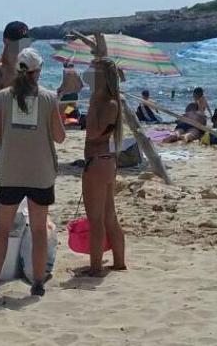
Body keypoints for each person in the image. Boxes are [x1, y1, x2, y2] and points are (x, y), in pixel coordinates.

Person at [0, 48, 65, 299]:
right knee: (38, 231)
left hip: (11, 171)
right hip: (40, 173)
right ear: (38, 71)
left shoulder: (2, 97)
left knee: (2, 230)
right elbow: (60, 137)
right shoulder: (49, 98)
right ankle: (37, 283)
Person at [80, 57, 126, 277]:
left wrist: (92, 105)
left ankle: (96, 267)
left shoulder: (108, 103)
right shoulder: (109, 102)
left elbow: (93, 133)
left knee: (96, 219)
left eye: (94, 72)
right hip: (105, 161)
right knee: (108, 216)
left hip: (97, 161)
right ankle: (118, 262)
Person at [0, 21, 31, 192]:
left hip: (25, 133)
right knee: (5, 190)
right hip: (2, 137)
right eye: (17, 42)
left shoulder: (25, 67)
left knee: (28, 186)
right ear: (6, 41)